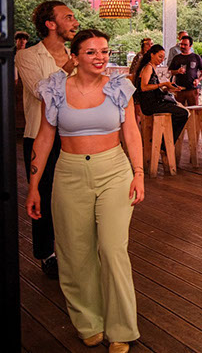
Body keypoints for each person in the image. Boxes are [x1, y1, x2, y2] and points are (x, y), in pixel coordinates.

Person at [26, 29, 144, 352]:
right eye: (91, 52)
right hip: (69, 172)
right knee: (75, 252)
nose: (100, 58)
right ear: (75, 57)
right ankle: (88, 321)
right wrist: (33, 186)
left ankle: (121, 328)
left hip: (115, 172)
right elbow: (44, 138)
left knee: (111, 248)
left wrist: (139, 173)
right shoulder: (55, 89)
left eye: (104, 51)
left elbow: (131, 133)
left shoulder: (120, 88)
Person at [15, 0, 80, 279]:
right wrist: (67, 68)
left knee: (72, 197)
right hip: (39, 136)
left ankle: (72, 250)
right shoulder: (27, 56)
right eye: (68, 17)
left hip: (73, 136)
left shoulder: (76, 54)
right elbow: (42, 93)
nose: (75, 21)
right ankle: (47, 254)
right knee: (43, 196)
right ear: (50, 24)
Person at [134, 45, 189, 155]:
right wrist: (162, 84)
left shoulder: (153, 67)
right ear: (152, 55)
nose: (161, 60)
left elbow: (155, 87)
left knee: (181, 111)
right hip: (150, 104)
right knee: (183, 113)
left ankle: (162, 140)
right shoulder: (148, 67)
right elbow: (144, 87)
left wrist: (167, 87)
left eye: (163, 58)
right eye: (159, 57)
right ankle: (164, 142)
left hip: (156, 101)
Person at [168, 35, 202, 106]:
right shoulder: (176, 58)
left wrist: (198, 79)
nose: (182, 46)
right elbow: (170, 71)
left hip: (192, 89)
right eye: (181, 44)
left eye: (185, 45)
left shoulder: (196, 57)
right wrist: (177, 71)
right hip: (179, 89)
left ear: (190, 46)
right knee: (179, 110)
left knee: (193, 111)